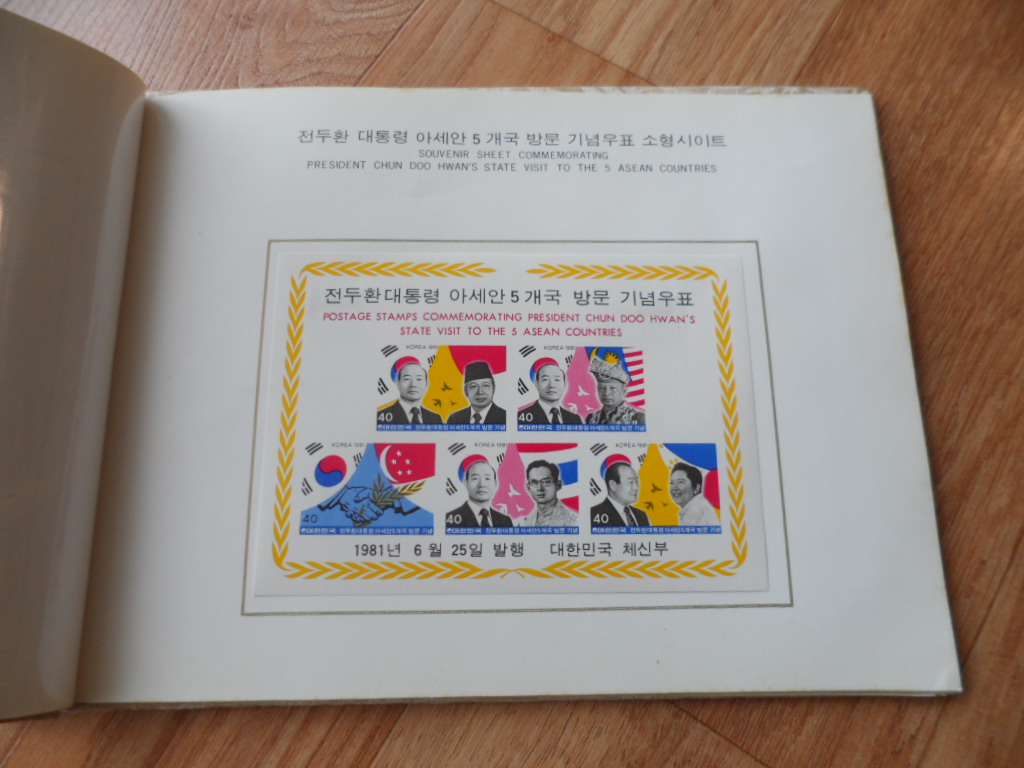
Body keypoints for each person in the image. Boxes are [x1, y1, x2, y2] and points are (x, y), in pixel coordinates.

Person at [445, 456, 513, 529]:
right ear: (466, 483)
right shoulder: (450, 519)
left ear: (495, 484)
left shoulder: (505, 521)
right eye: (475, 478)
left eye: (487, 478)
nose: (482, 484)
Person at [517, 358, 583, 426]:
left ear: (565, 385)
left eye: (557, 379)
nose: (552, 385)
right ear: (536, 384)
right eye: (545, 379)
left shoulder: (575, 419)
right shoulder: (520, 417)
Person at [377, 356, 442, 425]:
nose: (413, 385)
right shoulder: (381, 417)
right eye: (407, 379)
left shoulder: (436, 419)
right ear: (398, 383)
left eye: (419, 379)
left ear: (427, 384)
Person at [585, 354, 645, 426]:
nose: (606, 393)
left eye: (612, 388)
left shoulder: (637, 417)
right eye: (602, 388)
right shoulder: (591, 418)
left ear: (624, 391)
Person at [590, 456, 650, 528]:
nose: (636, 487)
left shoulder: (641, 515)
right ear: (613, 486)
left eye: (636, 481)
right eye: (630, 482)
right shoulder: (594, 514)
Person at [520, 460, 578, 527]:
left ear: (558, 485)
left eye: (546, 482)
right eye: (534, 482)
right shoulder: (523, 523)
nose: (540, 488)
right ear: (528, 487)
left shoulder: (574, 521)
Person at [446, 361, 506, 425]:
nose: (480, 392)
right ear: (465, 391)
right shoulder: (454, 419)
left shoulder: (505, 417)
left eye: (485, 385)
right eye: (474, 386)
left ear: (493, 388)